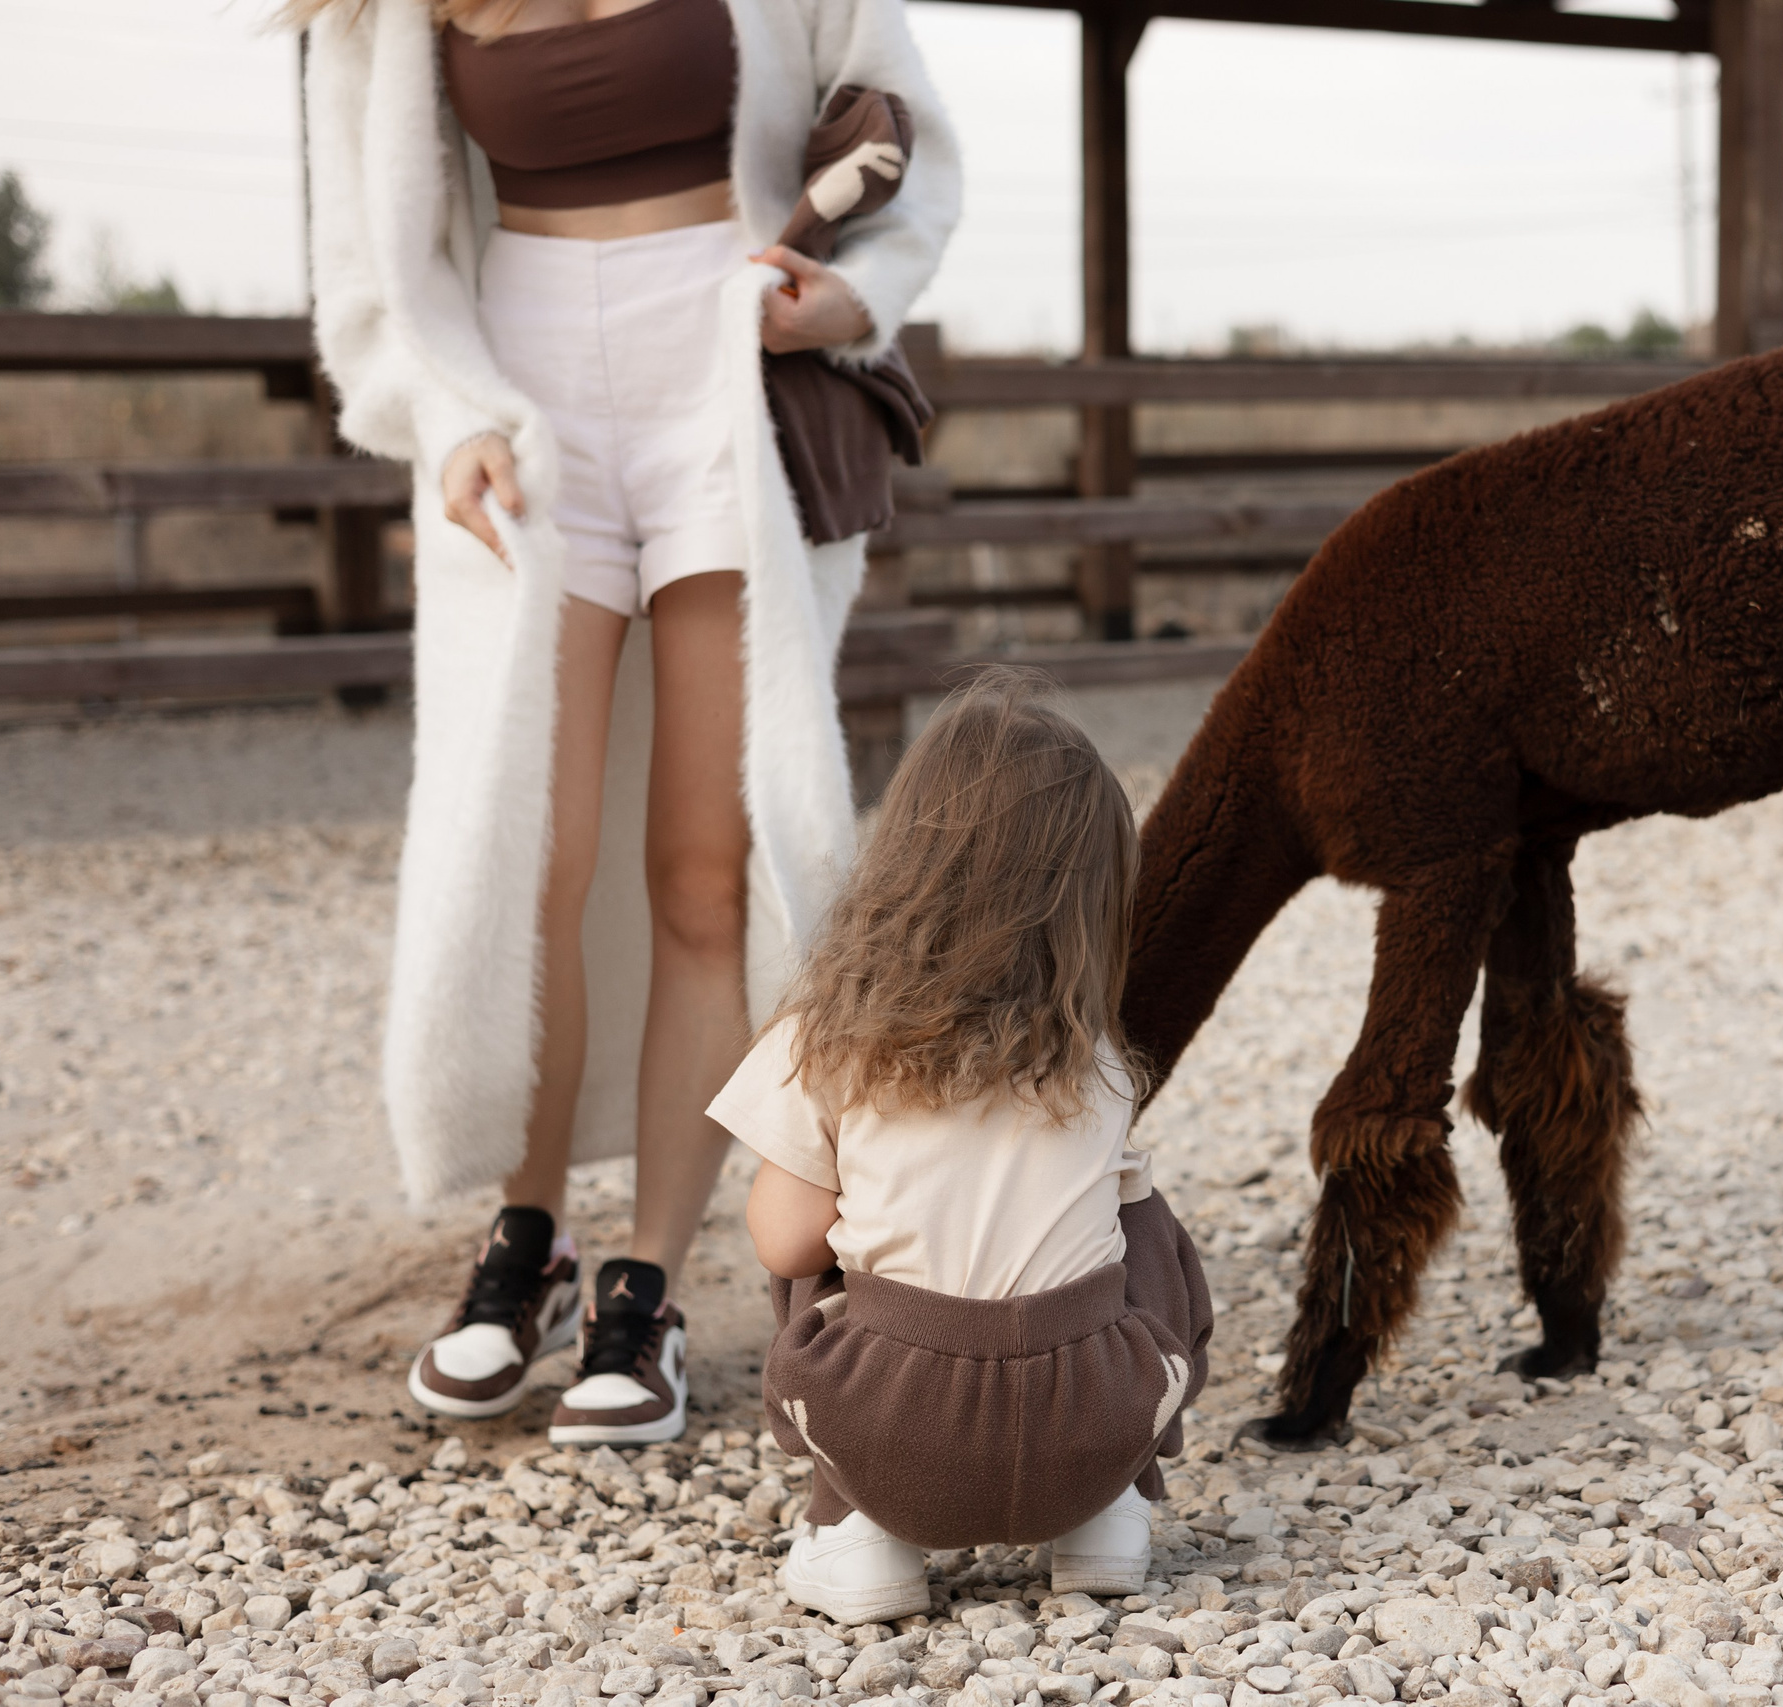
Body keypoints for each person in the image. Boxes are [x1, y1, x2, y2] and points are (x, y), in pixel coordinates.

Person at [292, 0, 959, 1444]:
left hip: (725, 379)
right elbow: (365, 270)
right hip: (516, 411)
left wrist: (846, 305)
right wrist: (444, 411)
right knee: (535, 862)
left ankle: (646, 1281)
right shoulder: (376, 11)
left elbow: (908, 133)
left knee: (705, 871)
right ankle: (527, 1236)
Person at [708, 675, 1213, 1623]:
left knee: (816, 1238)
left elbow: (782, 1245)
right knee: (1141, 1219)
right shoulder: (1095, 1060)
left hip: (891, 1436)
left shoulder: (827, 1041)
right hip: (1091, 1424)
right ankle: (1111, 1509)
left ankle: (857, 1530)